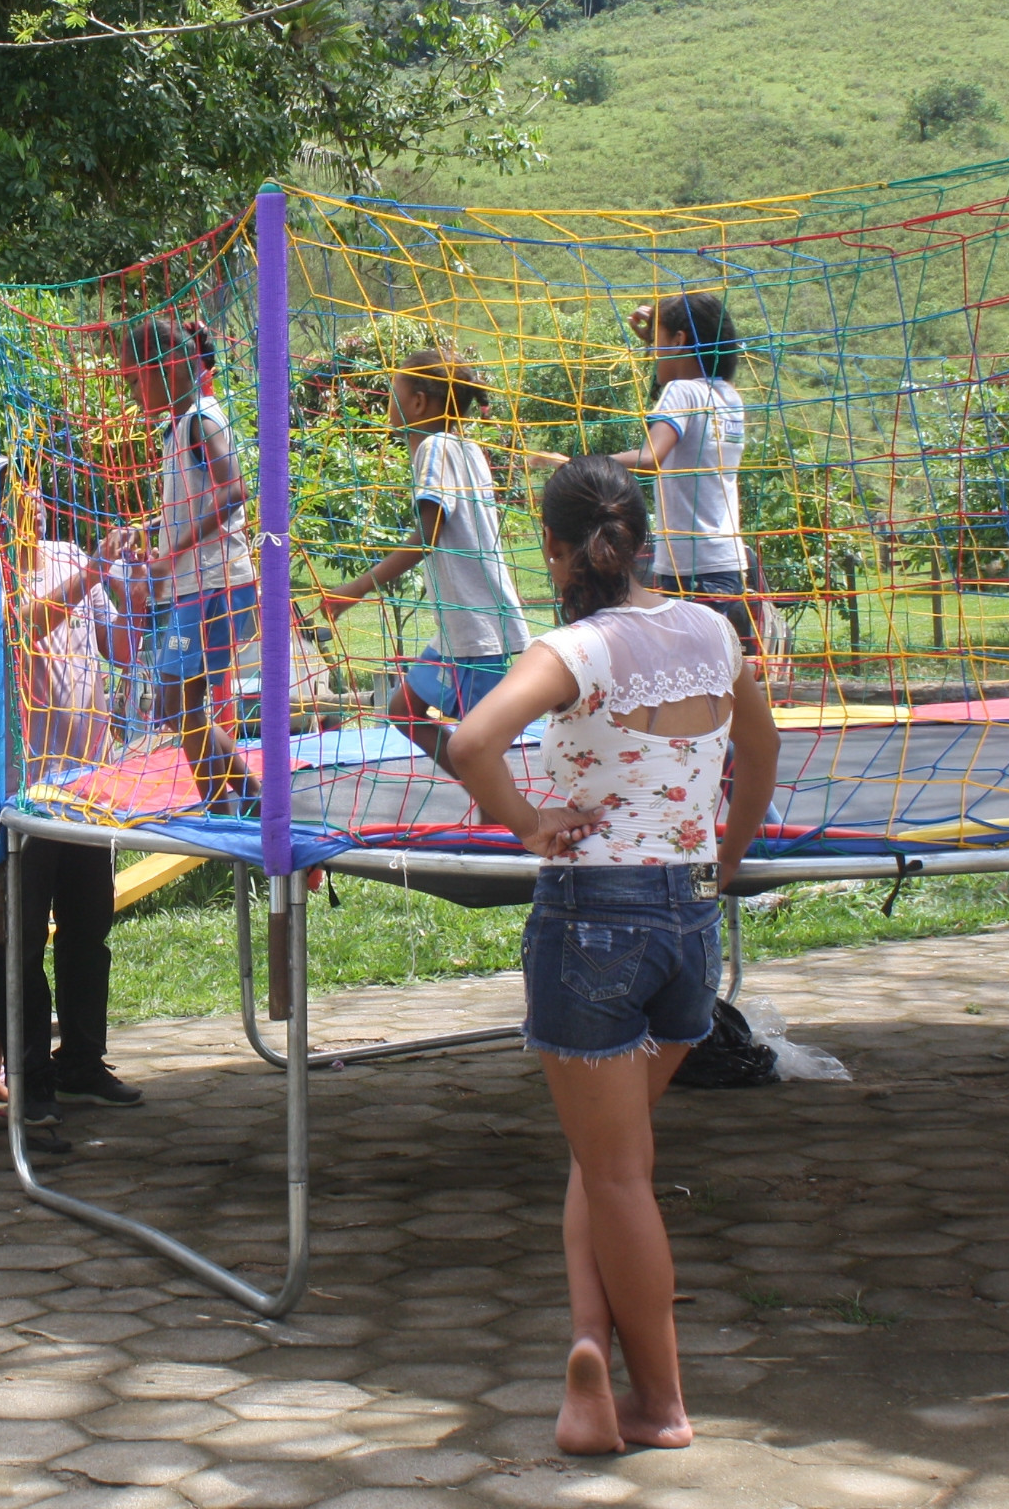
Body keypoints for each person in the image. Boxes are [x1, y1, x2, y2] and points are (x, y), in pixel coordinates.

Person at [445, 456, 778, 1458]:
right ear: (639, 541)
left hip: (591, 914)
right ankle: (589, 1351)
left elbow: (470, 744)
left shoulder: (573, 647)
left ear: (554, 551)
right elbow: (757, 753)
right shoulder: (712, 631)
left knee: (617, 1170)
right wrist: (723, 852)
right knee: (608, 1160)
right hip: (685, 918)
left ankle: (661, 1402)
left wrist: (526, 821)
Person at [0, 479, 148, 1118]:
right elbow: (20, 634)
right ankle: (30, 1074)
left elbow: (119, 646)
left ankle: (82, 1062)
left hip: (87, 784)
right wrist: (96, 571)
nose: (25, 504)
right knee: (23, 937)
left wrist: (129, 582)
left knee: (89, 930)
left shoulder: (69, 556)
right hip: (25, 790)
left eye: (31, 491)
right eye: (10, 492)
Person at [316, 351, 533, 768]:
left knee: (479, 746)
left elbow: (427, 537)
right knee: (403, 711)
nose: (387, 405)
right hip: (461, 627)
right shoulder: (463, 446)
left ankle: (501, 818)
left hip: (476, 628)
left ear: (418, 402)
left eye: (393, 394)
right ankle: (487, 799)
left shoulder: (434, 447)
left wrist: (356, 589)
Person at [109, 314, 256, 804]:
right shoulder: (179, 427)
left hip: (216, 584)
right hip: (198, 585)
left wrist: (170, 556)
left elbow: (233, 490)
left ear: (168, 367)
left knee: (178, 705)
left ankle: (234, 804)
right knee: (178, 707)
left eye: (133, 380)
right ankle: (238, 801)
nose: (130, 393)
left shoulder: (200, 419)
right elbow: (198, 502)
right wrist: (154, 537)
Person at [612, 292, 758, 653]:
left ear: (679, 340)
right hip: (725, 563)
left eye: (658, 341)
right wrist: (660, 336)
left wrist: (585, 463)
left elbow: (652, 457)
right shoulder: (728, 396)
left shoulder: (681, 392)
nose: (651, 351)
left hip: (692, 570)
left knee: (691, 676)